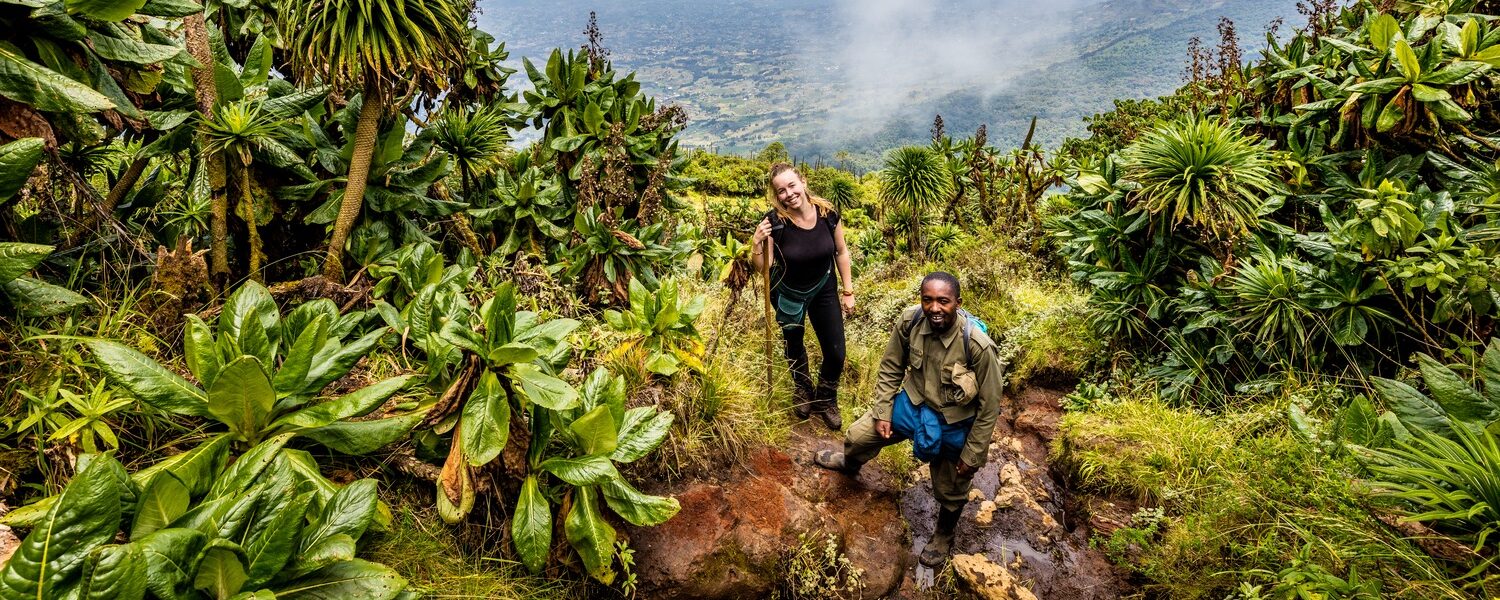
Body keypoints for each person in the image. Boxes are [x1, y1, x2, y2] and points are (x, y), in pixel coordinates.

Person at [813, 272, 1005, 567]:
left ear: (957, 303)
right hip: (913, 403)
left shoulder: (977, 345)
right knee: (857, 437)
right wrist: (883, 411)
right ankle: (849, 464)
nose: (934, 308)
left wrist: (973, 453)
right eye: (927, 300)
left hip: (953, 420)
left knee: (952, 487)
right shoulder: (910, 321)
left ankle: (944, 533)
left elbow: (990, 406)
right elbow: (891, 366)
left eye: (943, 301)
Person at [750, 162, 855, 430]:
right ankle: (802, 388)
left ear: (803, 182)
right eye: (781, 190)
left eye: (792, 185)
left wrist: (848, 290)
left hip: (823, 288)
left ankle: (826, 398)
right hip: (788, 293)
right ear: (777, 195)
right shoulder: (775, 221)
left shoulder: (828, 214)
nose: (789, 194)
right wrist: (756, 244)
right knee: (793, 343)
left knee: (836, 352)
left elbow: (841, 252)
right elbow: (764, 268)